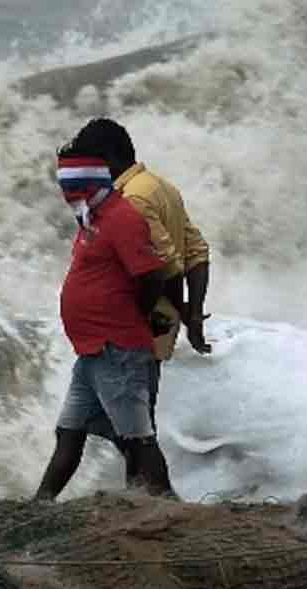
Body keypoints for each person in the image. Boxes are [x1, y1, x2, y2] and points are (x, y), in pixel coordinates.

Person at [66, 119, 211, 480]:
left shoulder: (132, 199)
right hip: (154, 322)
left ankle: (153, 498)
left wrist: (151, 313)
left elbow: (166, 267)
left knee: (136, 430)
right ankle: (140, 494)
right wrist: (191, 313)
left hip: (138, 324)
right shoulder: (162, 186)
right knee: (131, 421)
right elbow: (197, 252)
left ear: (108, 158)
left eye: (90, 163)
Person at [35, 147, 177, 500]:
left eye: (70, 186)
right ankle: (39, 505)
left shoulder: (121, 218)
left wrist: (136, 314)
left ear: (85, 184)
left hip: (117, 349)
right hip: (92, 352)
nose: (66, 195)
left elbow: (152, 274)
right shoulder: (92, 218)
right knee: (69, 431)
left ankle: (168, 507)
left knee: (139, 441)